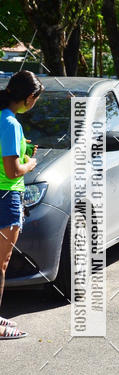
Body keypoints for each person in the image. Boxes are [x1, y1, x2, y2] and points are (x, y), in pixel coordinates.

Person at [0, 70, 44, 339]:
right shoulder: (10, 123)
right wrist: (31, 164)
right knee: (1, 263)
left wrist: (20, 149)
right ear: (29, 97)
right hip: (6, 196)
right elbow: (13, 170)